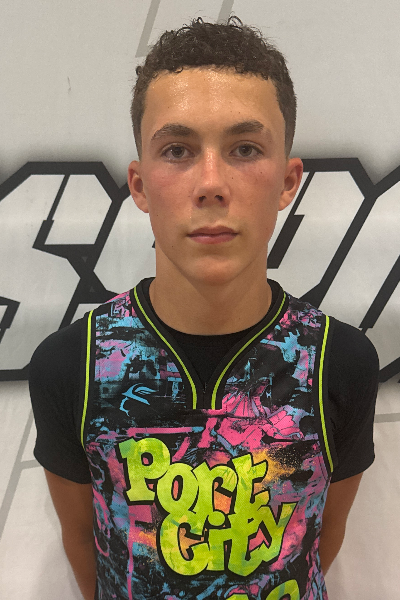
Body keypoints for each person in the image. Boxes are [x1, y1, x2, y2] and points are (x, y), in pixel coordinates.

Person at [29, 15, 379, 600]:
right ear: (140, 185)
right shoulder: (73, 364)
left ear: (288, 181)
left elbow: (320, 539)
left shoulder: (338, 361)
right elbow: (85, 543)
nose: (211, 183)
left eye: (245, 148)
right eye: (177, 150)